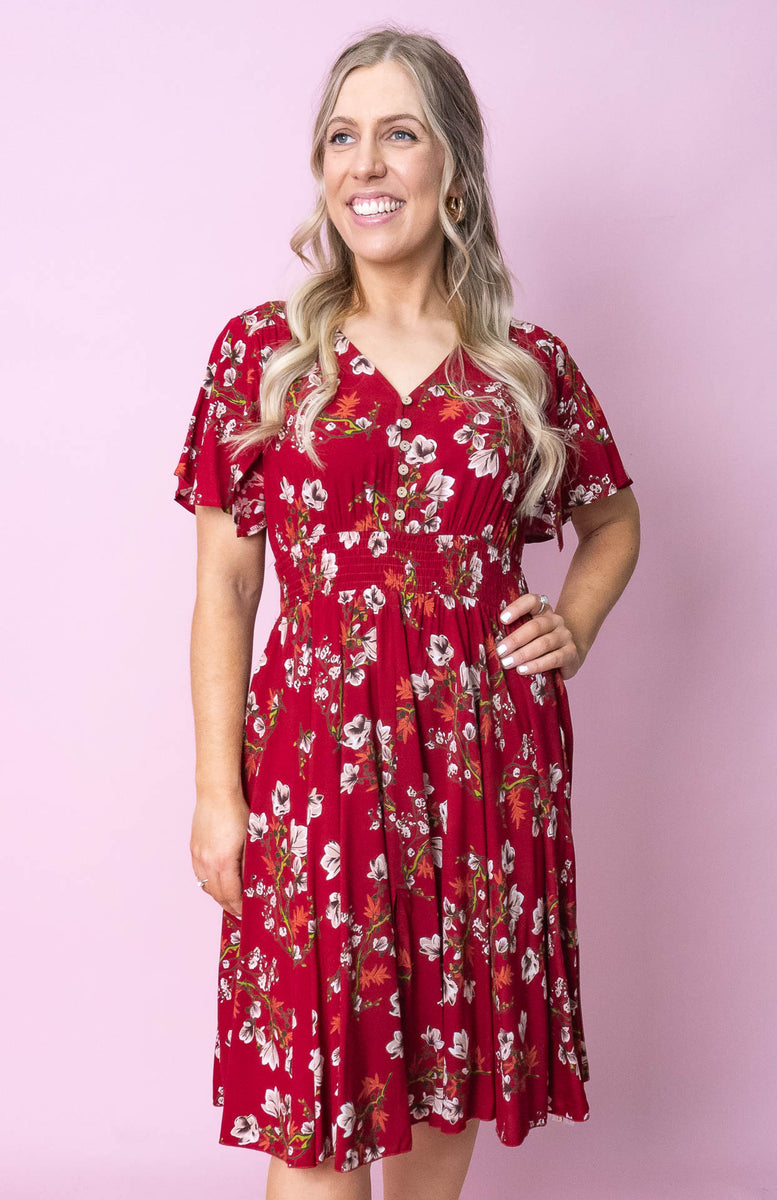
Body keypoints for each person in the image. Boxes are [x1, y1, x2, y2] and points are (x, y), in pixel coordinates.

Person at [172, 25, 640, 1200]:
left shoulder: (523, 365)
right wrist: (219, 794)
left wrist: (574, 624)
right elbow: (226, 585)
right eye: (341, 138)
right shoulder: (263, 354)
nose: (364, 165)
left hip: (484, 767)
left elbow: (612, 520)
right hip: (315, 773)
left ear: (454, 172)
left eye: (397, 134)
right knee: (315, 1122)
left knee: (438, 1105)